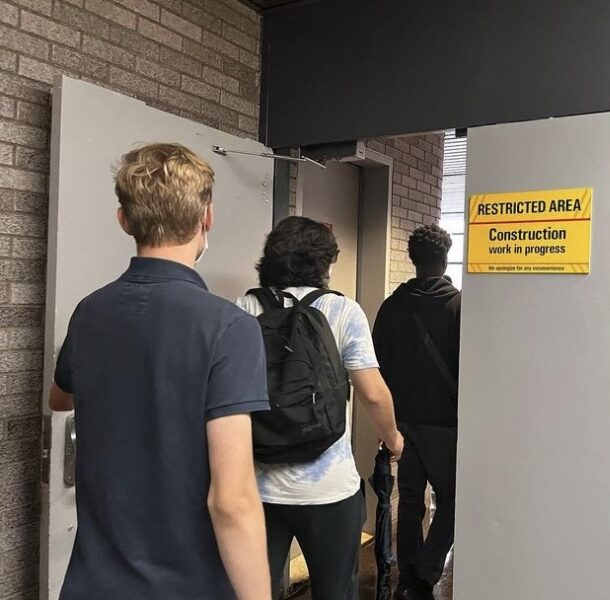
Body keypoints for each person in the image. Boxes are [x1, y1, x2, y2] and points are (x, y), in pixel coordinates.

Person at [49, 143, 272, 600]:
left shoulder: (89, 312)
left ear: (124, 220)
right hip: (189, 588)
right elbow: (231, 501)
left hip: (91, 587)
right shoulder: (229, 328)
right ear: (207, 217)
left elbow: (59, 398)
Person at [236, 216, 404, 600]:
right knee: (335, 592)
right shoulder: (344, 311)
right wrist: (394, 439)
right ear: (324, 262)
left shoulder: (246, 306)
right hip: (330, 491)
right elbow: (374, 394)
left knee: (254, 591)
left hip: (259, 486)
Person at [372, 224, 461, 600]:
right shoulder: (459, 307)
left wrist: (387, 422)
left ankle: (408, 576)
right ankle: (425, 573)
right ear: (445, 259)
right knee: (452, 499)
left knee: (410, 500)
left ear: (413, 260)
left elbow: (376, 365)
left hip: (403, 423)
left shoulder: (392, 307)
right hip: (445, 424)